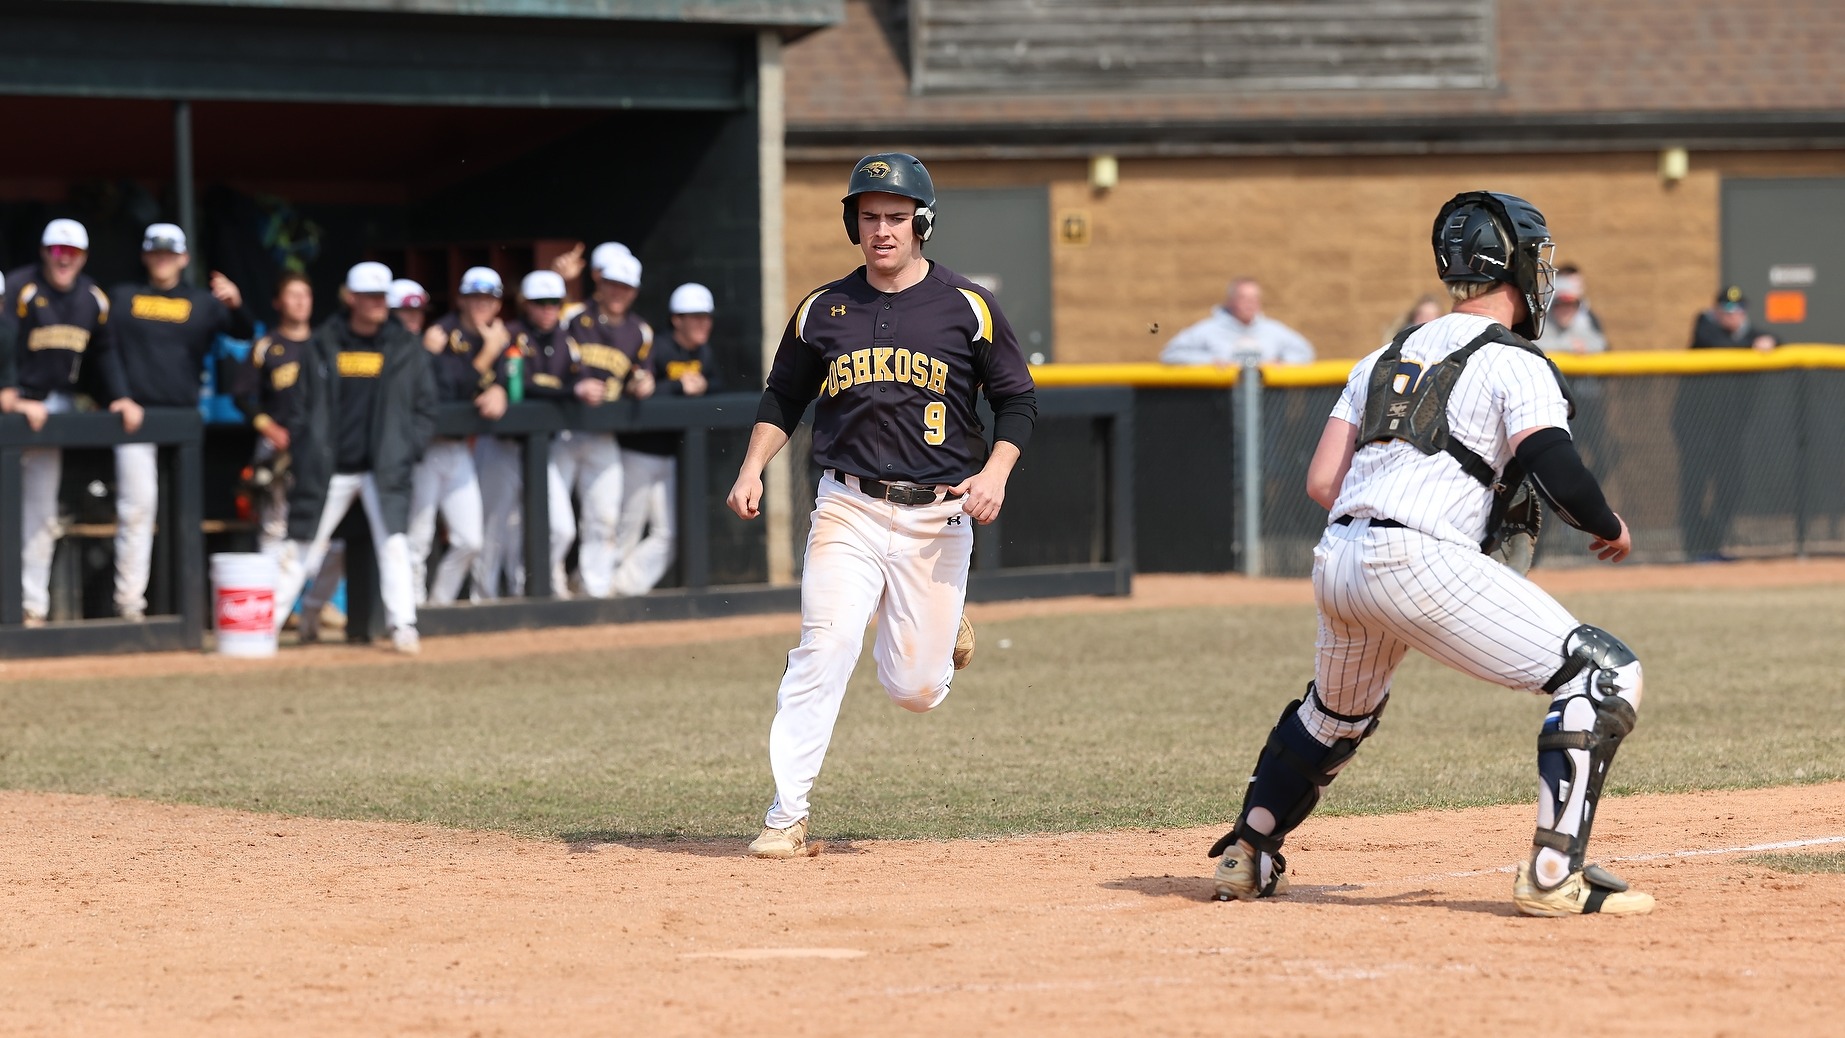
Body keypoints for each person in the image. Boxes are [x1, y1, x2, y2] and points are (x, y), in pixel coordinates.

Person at [1208, 191, 1651, 917]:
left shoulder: (1381, 356)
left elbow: (1323, 482)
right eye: (1535, 260)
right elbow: (1555, 468)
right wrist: (1607, 525)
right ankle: (1551, 874)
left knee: (1332, 716)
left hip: (1340, 558)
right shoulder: (1515, 362)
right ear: (1513, 266)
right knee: (1602, 677)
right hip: (1417, 559)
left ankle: (1246, 854)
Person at [727, 153, 1037, 859]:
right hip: (848, 506)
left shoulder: (967, 307)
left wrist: (995, 472)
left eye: (895, 216)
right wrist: (752, 468)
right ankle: (786, 813)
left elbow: (1017, 401)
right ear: (852, 224)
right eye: (868, 217)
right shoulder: (824, 308)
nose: (882, 230)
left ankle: (943, 623)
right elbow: (783, 396)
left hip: (938, 516)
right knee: (825, 645)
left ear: (921, 222)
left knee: (915, 689)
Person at [270, 261, 435, 654]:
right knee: (302, 546)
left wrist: (407, 448)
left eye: (383, 297)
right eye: (371, 297)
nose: (380, 305)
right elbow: (300, 405)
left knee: (394, 544)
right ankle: (265, 626)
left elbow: (425, 407)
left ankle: (403, 626)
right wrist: (306, 449)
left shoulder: (404, 345)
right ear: (352, 298)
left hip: (383, 467)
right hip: (331, 467)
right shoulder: (324, 341)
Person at [98, 223, 254, 621]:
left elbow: (242, 331)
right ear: (146, 256)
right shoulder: (124, 297)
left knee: (187, 511)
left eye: (171, 254)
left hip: (183, 416)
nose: (163, 260)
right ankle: (130, 603)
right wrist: (119, 396)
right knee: (137, 507)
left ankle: (189, 608)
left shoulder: (201, 302)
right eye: (156, 253)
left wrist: (236, 303)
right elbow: (105, 349)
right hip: (136, 417)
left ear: (184, 258)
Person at [2, 220, 112, 626]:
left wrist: (112, 397)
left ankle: (31, 605)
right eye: (56, 250)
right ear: (44, 252)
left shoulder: (93, 298)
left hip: (52, 408)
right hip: (15, 404)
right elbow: (6, 340)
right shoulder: (19, 286)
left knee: (41, 513)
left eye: (72, 253)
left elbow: (106, 352)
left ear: (82, 257)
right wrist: (9, 390)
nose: (63, 259)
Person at [232, 272, 345, 639]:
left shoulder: (327, 344)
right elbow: (243, 397)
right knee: (275, 529)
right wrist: (268, 427)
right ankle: (268, 611)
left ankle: (314, 604)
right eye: (292, 296)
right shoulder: (267, 345)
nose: (300, 302)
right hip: (277, 446)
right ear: (278, 302)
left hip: (320, 449)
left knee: (328, 532)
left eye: (305, 295)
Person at [610, 282, 719, 596]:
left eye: (706, 317)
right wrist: (678, 387)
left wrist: (702, 386)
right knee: (625, 530)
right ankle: (597, 589)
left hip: (672, 456)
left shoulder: (704, 352)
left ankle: (621, 591)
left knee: (669, 535)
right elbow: (638, 392)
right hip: (638, 453)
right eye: (694, 317)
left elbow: (715, 382)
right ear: (677, 319)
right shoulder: (657, 347)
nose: (702, 324)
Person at [558, 246, 652, 597]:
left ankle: (594, 592)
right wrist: (562, 281)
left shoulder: (640, 332)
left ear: (634, 292)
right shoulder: (573, 315)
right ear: (599, 283)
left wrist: (644, 383)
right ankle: (549, 588)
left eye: (625, 287)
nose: (618, 293)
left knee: (604, 517)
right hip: (563, 430)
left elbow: (642, 374)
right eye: (612, 284)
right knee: (557, 525)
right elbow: (543, 340)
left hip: (602, 434)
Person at [409, 268, 506, 606]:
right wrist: (488, 356)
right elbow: (449, 391)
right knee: (418, 538)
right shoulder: (440, 334)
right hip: (427, 449)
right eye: (475, 297)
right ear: (461, 299)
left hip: (459, 449)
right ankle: (412, 609)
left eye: (489, 298)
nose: (482, 305)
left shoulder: (499, 335)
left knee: (470, 539)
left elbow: (510, 378)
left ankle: (439, 604)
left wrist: (501, 389)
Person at [1673, 285, 1775, 561]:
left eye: (1739, 309)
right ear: (1717, 310)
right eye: (1727, 309)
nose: (1734, 314)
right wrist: (1753, 345)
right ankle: (1693, 549)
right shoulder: (1705, 324)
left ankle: (1712, 544)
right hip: (1694, 427)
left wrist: (1768, 342)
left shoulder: (1748, 334)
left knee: (1732, 488)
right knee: (1694, 487)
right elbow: (1719, 345)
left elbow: (1777, 340)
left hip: (1729, 431)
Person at [1160, 277, 1314, 365]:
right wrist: (1211, 361)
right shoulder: (1207, 329)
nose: (1250, 304)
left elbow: (1305, 352)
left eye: (1254, 298)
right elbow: (1171, 354)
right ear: (1230, 301)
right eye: (1243, 298)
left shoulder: (1273, 330)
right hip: (1219, 406)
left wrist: (1281, 362)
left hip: (1268, 408)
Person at [1533, 267, 1610, 355]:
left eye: (1572, 305)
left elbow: (1601, 344)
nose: (1567, 310)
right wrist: (1569, 346)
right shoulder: (1538, 327)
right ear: (1550, 305)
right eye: (1560, 304)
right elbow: (1533, 345)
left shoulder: (1582, 323)